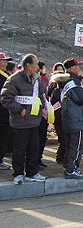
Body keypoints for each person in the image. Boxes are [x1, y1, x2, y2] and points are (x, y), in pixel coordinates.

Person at [1, 54, 47, 184]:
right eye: (36, 64)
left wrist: (42, 107)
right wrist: (19, 109)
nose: (38, 67)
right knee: (20, 149)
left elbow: (39, 97)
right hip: (20, 121)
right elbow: (6, 98)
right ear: (28, 65)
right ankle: (18, 174)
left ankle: (32, 172)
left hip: (34, 120)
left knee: (34, 148)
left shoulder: (36, 79)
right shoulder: (14, 79)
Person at [61, 57, 83, 179]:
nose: (79, 68)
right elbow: (81, 98)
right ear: (72, 68)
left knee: (71, 145)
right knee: (77, 146)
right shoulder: (72, 82)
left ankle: (69, 166)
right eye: (77, 66)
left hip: (72, 119)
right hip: (76, 120)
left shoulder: (69, 81)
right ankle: (71, 169)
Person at [48, 63, 67, 164]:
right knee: (62, 138)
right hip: (58, 118)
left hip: (64, 117)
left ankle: (62, 155)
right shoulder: (54, 89)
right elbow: (53, 104)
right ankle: (60, 157)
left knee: (64, 139)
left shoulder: (65, 88)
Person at [0, 52, 13, 170]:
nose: (5, 63)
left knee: (4, 135)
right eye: (3, 61)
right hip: (1, 112)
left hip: (5, 113)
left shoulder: (6, 75)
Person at [37, 61, 49, 169]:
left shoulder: (46, 80)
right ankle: (35, 160)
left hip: (46, 112)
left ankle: (39, 158)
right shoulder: (37, 80)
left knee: (42, 138)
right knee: (37, 138)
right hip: (38, 112)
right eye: (43, 68)